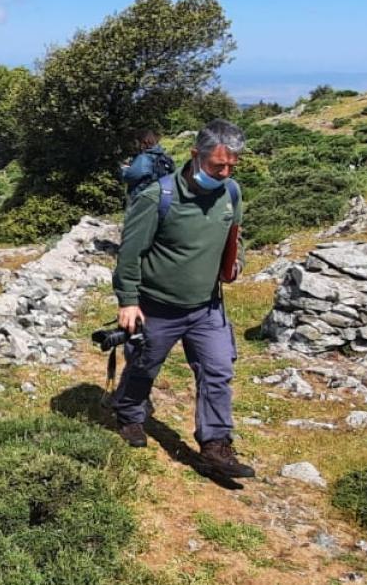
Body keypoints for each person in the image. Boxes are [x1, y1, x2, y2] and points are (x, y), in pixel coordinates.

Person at [110, 119, 253, 479]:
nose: (223, 172)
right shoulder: (157, 197)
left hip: (207, 308)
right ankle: (128, 412)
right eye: (217, 165)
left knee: (218, 370)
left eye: (231, 166)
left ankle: (215, 447)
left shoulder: (231, 193)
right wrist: (128, 301)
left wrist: (237, 262)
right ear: (195, 155)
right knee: (144, 367)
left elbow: (234, 239)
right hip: (157, 306)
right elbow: (130, 253)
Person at [118, 129, 175, 206]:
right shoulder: (165, 157)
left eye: (137, 143)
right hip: (160, 199)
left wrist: (124, 168)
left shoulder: (144, 158)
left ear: (144, 142)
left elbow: (130, 177)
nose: (136, 145)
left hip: (142, 200)